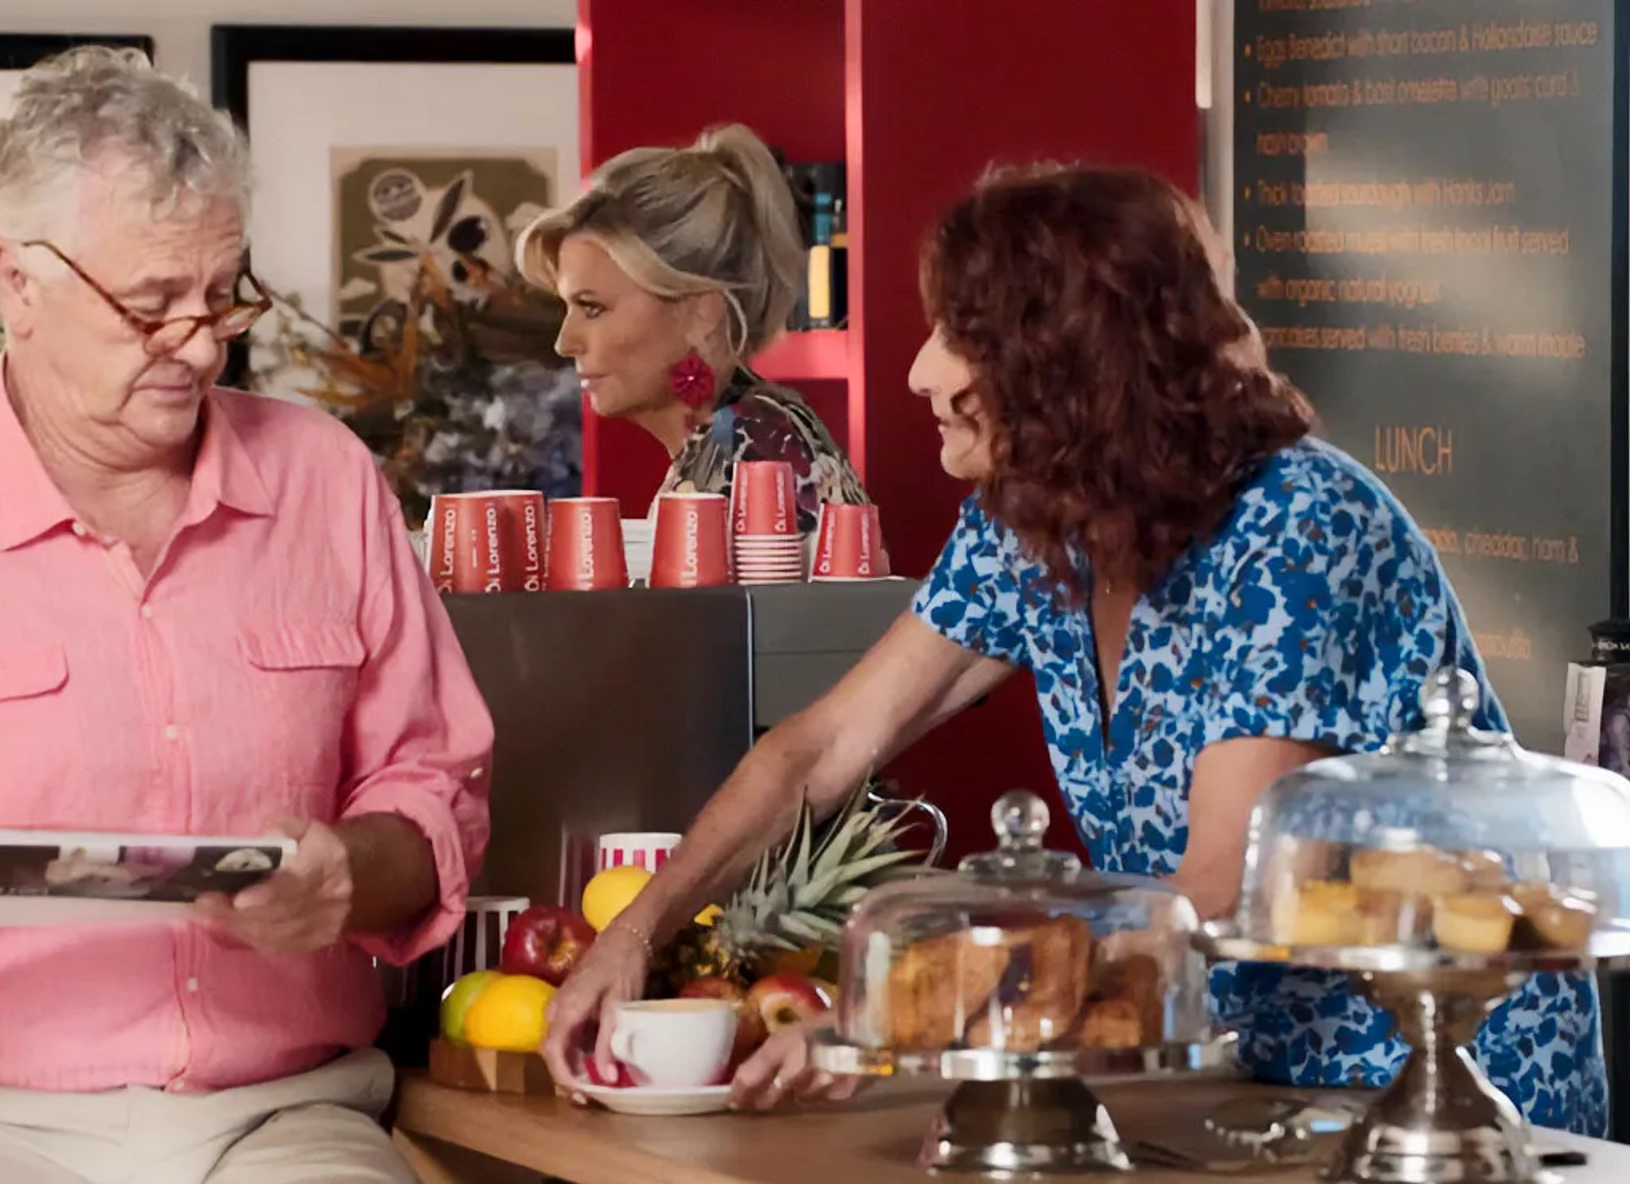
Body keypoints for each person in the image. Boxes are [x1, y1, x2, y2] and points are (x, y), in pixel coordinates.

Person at [542, 162, 1607, 1134]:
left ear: (1061, 359)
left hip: (1443, 1098)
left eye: (956, 334)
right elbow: (821, 747)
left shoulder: (1297, 528)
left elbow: (1225, 881)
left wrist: (902, 1023)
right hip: (1249, 1084)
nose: (918, 374)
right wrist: (636, 931)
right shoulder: (1029, 519)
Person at [0, 47, 493, 1183]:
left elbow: (435, 798)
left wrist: (347, 875)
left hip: (284, 1113)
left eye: (220, 292)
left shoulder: (328, 483)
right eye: (150, 303)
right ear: (13, 279)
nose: (201, 342)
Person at [516, 123, 866, 532]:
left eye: (592, 309)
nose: (565, 342)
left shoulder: (751, 451)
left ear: (701, 314)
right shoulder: (738, 438)